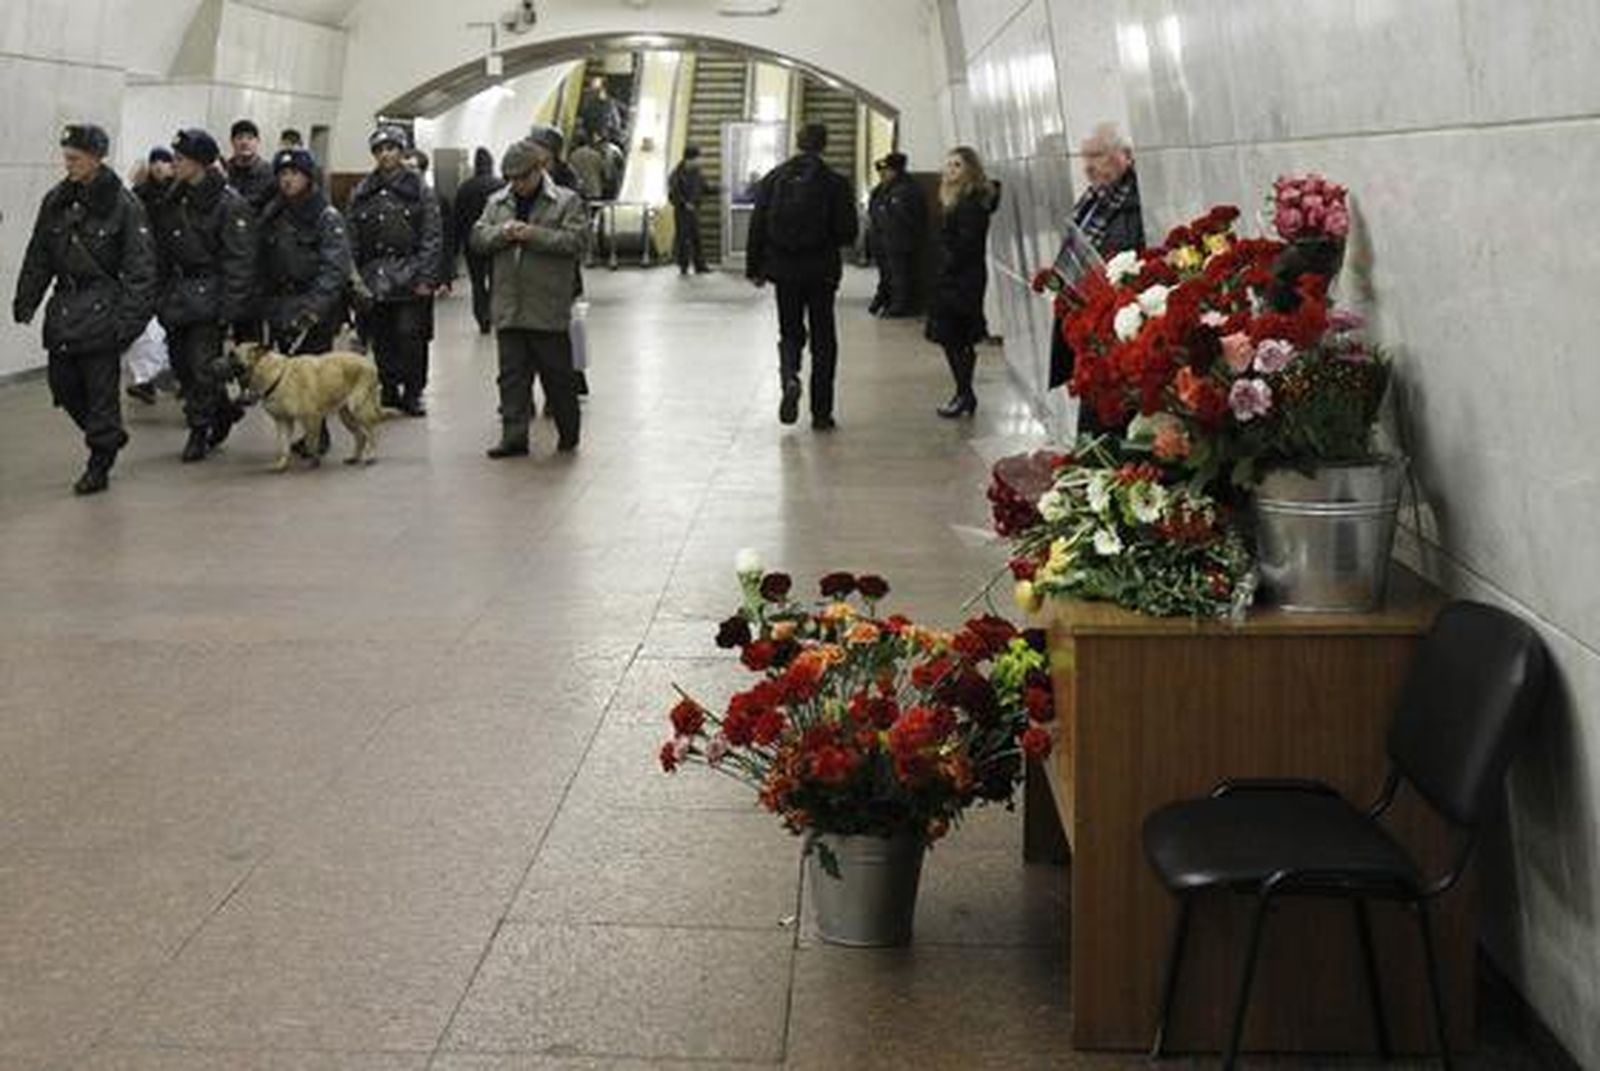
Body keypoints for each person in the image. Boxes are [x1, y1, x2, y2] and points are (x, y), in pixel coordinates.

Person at [12, 123, 157, 494]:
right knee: (63, 384)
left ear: (96, 158)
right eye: (66, 157)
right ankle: (106, 437)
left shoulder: (125, 206)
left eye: (75, 158)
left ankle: (99, 460)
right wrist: (26, 298)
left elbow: (141, 271)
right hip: (64, 310)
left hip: (103, 311)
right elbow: (39, 254)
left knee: (100, 393)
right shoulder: (56, 201)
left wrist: (127, 325)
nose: (68, 164)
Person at [471, 133, 588, 458]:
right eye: (511, 179)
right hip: (509, 305)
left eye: (523, 177)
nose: (518, 185)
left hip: (547, 305)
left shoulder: (566, 201)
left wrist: (534, 235)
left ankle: (568, 432)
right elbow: (478, 238)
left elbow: (576, 242)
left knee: (558, 377)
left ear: (540, 170)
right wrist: (502, 233)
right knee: (511, 378)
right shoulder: (497, 203)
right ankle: (514, 436)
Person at [150, 128, 257, 462]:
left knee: (201, 367)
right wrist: (158, 294)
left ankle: (199, 430)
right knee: (182, 367)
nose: (174, 164)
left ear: (199, 163)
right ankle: (222, 410)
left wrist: (230, 309)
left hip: (210, 297)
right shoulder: (173, 199)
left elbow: (239, 259)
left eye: (180, 159)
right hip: (177, 297)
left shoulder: (229, 204)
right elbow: (162, 250)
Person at [745, 122, 858, 430]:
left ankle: (790, 376)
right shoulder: (835, 183)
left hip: (784, 270)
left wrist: (756, 268)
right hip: (821, 271)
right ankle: (822, 412)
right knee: (824, 338)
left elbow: (758, 225)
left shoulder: (774, 179)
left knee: (790, 330)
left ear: (797, 142)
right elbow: (848, 232)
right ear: (825, 144)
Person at [347, 125, 441, 416]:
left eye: (391, 148)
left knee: (411, 335)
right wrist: (354, 279)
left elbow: (431, 236)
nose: (385, 154)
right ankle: (388, 388)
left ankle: (413, 391)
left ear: (401, 152)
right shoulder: (362, 191)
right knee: (382, 336)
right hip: (374, 275)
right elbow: (351, 236)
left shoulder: (420, 191)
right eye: (380, 150)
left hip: (411, 273)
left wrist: (427, 277)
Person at [1048, 122, 1145, 393]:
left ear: (1125, 155)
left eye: (1097, 156)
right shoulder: (1091, 200)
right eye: (1085, 157)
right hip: (1086, 320)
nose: (1088, 166)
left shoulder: (1137, 203)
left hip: (1115, 321)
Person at [927, 146, 1000, 418]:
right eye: (948, 165)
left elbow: (964, 245)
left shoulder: (970, 203)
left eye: (957, 165)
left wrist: (946, 265)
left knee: (956, 337)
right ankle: (963, 393)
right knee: (955, 338)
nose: (951, 170)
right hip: (959, 276)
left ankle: (964, 393)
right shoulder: (959, 199)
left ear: (970, 169)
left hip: (961, 279)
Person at [259, 147, 351, 357]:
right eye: (283, 174)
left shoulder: (325, 216)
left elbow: (335, 268)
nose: (288, 180)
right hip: (279, 308)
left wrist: (314, 308)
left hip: (314, 310)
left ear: (308, 178)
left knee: (312, 381)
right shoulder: (272, 214)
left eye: (294, 173)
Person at [125, 146, 178, 405]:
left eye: (165, 161)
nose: (159, 166)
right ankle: (144, 378)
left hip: (172, 269)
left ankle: (168, 374)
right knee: (145, 325)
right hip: (146, 268)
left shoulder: (179, 193)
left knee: (169, 327)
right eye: (154, 161)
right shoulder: (138, 195)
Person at [866, 151, 927, 317]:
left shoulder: (905, 190)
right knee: (888, 273)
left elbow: (903, 217)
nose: (883, 174)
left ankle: (899, 306)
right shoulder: (884, 188)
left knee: (899, 274)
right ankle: (886, 300)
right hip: (883, 239)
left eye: (887, 170)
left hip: (898, 240)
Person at [454, 147, 504, 336]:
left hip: (471, 243)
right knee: (495, 279)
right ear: (491, 164)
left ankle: (481, 317)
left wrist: (456, 246)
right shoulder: (500, 186)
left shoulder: (465, 187)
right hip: (494, 240)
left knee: (477, 282)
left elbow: (457, 217)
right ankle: (492, 313)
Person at [667, 145, 711, 275]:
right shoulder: (676, 175)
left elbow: (705, 188)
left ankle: (700, 266)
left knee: (697, 238)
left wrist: (719, 189)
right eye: (698, 158)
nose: (701, 161)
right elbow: (672, 195)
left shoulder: (697, 173)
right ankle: (684, 266)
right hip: (682, 212)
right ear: (689, 159)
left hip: (694, 210)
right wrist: (684, 203)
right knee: (683, 239)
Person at [225, 119, 276, 213]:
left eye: (250, 138)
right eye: (239, 138)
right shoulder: (224, 171)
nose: (244, 142)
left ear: (258, 141)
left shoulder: (268, 173)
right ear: (232, 142)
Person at [567, 132, 607, 203]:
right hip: (594, 190)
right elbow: (603, 171)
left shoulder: (573, 155)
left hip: (578, 189)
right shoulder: (596, 155)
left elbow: (570, 171)